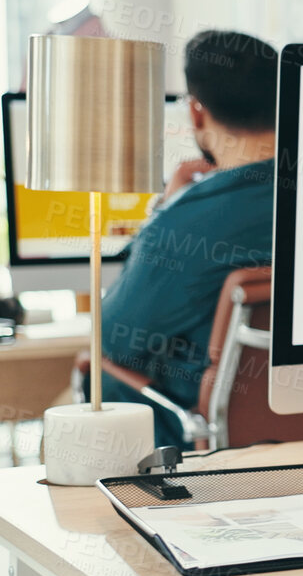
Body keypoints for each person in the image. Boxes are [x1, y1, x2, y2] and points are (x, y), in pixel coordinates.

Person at [95, 29, 277, 448]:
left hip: (204, 447)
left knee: (91, 372)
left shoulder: (185, 224)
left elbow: (110, 341)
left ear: (196, 112)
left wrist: (167, 208)